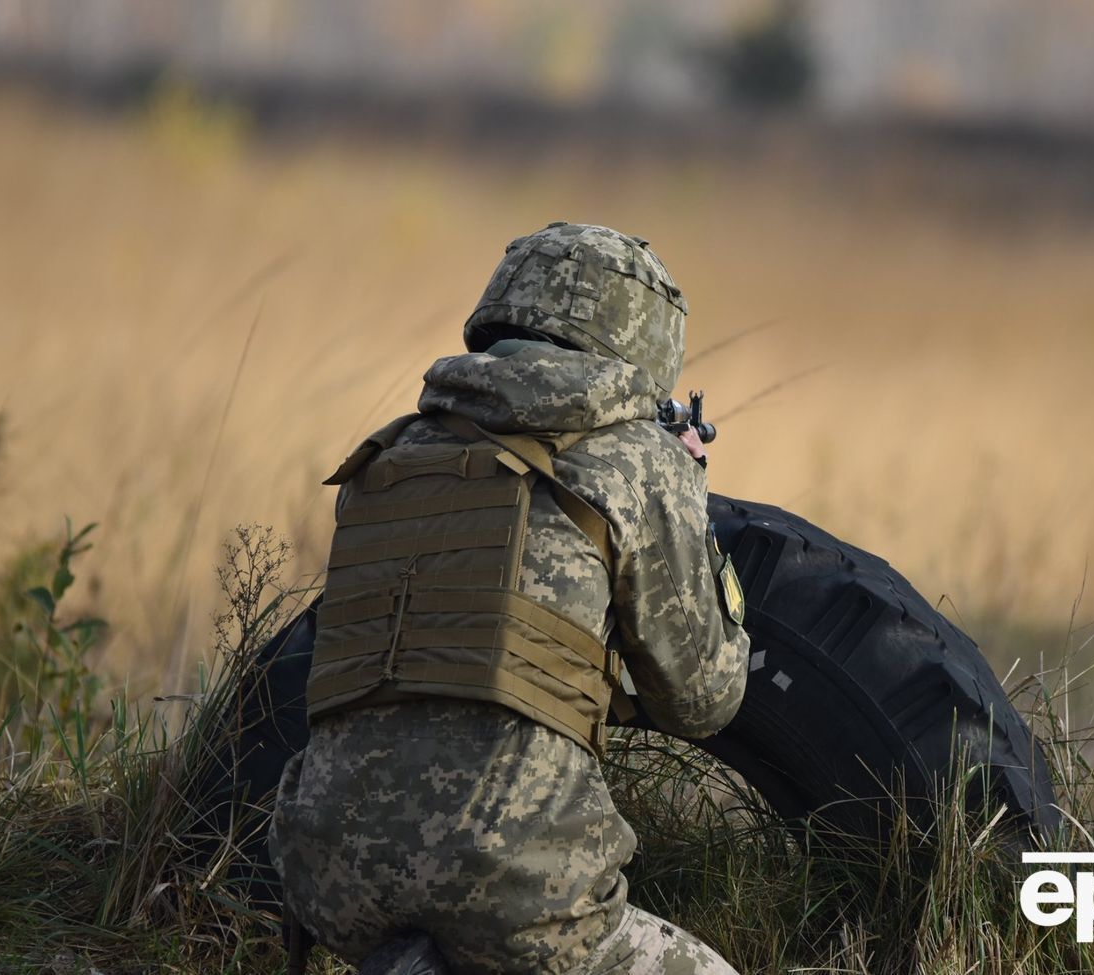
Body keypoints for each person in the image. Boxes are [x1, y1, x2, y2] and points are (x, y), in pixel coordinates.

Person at [269, 222, 751, 975]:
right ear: (644, 343)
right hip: (521, 889)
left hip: (328, 875)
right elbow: (705, 697)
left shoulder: (390, 453)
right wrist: (685, 488)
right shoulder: (637, 463)